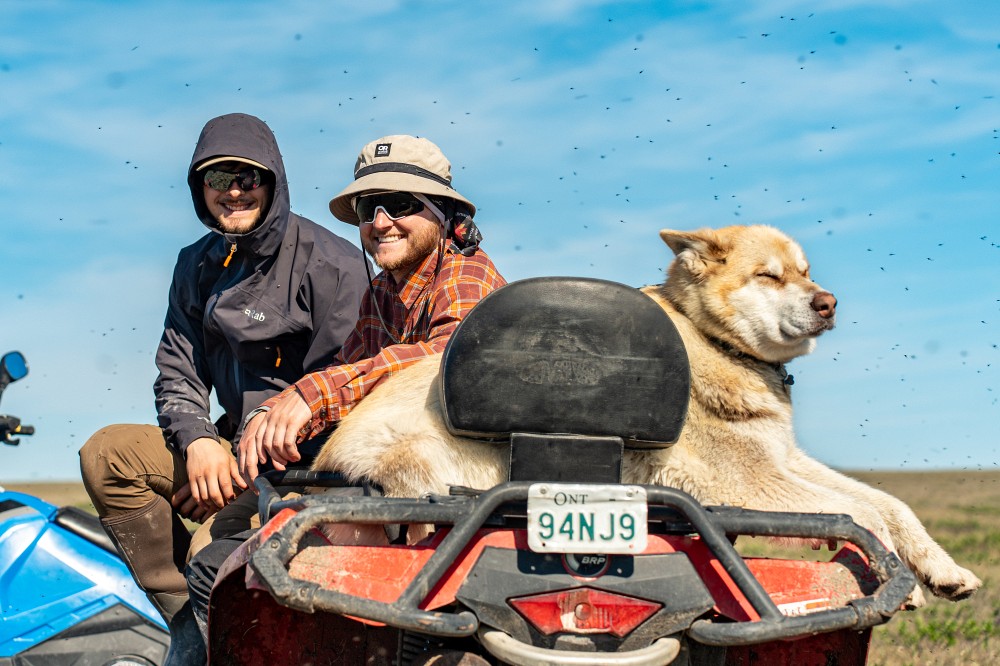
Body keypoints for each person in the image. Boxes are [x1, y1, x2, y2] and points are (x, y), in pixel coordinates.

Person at [185, 134, 507, 643]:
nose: (380, 222)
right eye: (367, 207)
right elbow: (347, 368)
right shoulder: (383, 290)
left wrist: (312, 395)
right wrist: (267, 420)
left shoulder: (464, 274)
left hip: (442, 493)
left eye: (400, 204)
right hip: (397, 488)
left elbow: (444, 356)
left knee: (225, 571)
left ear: (443, 213)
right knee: (224, 551)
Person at [78, 113, 369, 662]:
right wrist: (197, 443)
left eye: (247, 177)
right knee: (108, 453)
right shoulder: (196, 264)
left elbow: (339, 393)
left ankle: (219, 622)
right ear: (199, 188)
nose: (233, 191)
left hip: (303, 466)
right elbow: (177, 369)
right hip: (226, 449)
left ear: (273, 181)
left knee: (214, 560)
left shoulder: (332, 264)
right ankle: (185, 623)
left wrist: (237, 472)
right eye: (217, 179)